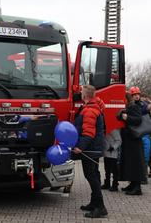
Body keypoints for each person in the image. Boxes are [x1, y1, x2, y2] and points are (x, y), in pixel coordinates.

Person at [73, 85, 108, 218]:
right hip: (93, 148)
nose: (80, 94)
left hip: (90, 149)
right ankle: (94, 203)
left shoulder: (90, 110)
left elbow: (88, 133)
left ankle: (100, 207)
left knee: (91, 176)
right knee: (94, 175)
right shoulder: (92, 107)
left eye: (81, 92)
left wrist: (80, 147)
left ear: (85, 95)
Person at [118, 91, 145, 195]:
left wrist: (126, 117)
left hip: (134, 139)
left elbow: (138, 120)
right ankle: (133, 184)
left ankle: (137, 187)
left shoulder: (134, 106)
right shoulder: (129, 107)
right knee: (130, 162)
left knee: (135, 163)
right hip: (130, 139)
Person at [129, 88, 151, 184]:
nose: (137, 96)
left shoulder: (144, 105)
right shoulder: (130, 105)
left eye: (138, 94)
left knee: (145, 155)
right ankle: (135, 177)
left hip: (144, 134)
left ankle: (144, 175)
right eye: (134, 94)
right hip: (135, 134)